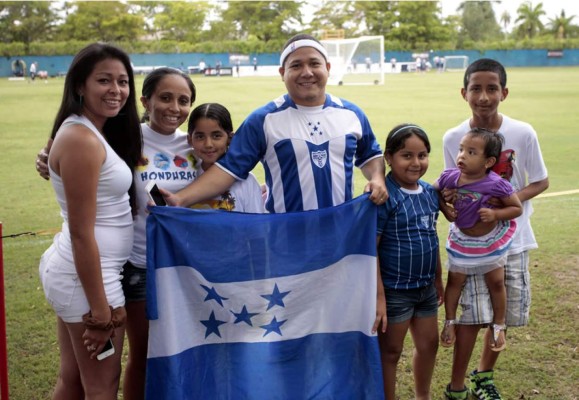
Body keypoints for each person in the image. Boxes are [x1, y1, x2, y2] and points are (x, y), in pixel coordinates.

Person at [37, 67, 197, 400]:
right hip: (131, 265)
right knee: (135, 358)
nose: (174, 108)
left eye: (183, 100)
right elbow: (75, 157)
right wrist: (46, 160)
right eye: (165, 98)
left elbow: (227, 176)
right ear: (145, 100)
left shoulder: (196, 145)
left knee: (158, 354)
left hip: (180, 265)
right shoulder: (122, 136)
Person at [162, 33, 387, 212]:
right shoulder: (263, 120)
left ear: (327, 68)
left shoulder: (352, 114)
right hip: (285, 240)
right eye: (296, 65)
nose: (307, 72)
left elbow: (371, 155)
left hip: (340, 236)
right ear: (282, 72)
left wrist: (377, 178)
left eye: (314, 64)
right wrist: (180, 198)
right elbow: (228, 170)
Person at [37, 42, 142, 400]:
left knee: (74, 380)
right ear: (80, 85)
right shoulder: (81, 137)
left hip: (78, 275)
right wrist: (100, 313)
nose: (116, 90)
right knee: (100, 387)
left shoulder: (88, 130)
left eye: (123, 81)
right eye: (104, 80)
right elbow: (83, 234)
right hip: (89, 281)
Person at [441, 58, 549, 400]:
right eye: (476, 88)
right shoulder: (453, 137)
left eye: (491, 89)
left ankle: (483, 377)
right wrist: (448, 205)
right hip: (470, 245)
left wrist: (504, 204)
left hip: (512, 240)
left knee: (500, 315)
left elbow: (541, 181)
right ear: (464, 92)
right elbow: (452, 186)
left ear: (503, 92)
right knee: (472, 315)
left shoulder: (522, 132)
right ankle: (456, 386)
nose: (483, 96)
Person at [435, 128, 523, 355]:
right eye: (461, 149)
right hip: (463, 241)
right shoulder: (450, 177)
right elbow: (431, 191)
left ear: (489, 161)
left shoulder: (497, 184)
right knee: (455, 282)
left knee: (496, 282)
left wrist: (495, 215)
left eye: (471, 152)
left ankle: (498, 325)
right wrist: (445, 209)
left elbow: (516, 208)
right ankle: (450, 321)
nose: (462, 155)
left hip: (488, 242)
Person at [374, 124, 444, 400]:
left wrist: (438, 278)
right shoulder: (383, 197)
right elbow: (372, 251)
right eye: (407, 155)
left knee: (429, 344)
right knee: (390, 352)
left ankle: (422, 396)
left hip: (425, 288)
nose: (416, 163)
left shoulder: (429, 193)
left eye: (423, 155)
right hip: (394, 291)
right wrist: (379, 297)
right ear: (389, 157)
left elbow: (432, 238)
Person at [187, 103, 263, 212]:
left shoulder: (247, 182)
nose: (208, 144)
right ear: (190, 140)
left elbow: (256, 224)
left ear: (230, 138)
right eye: (200, 136)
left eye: (216, 136)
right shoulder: (186, 176)